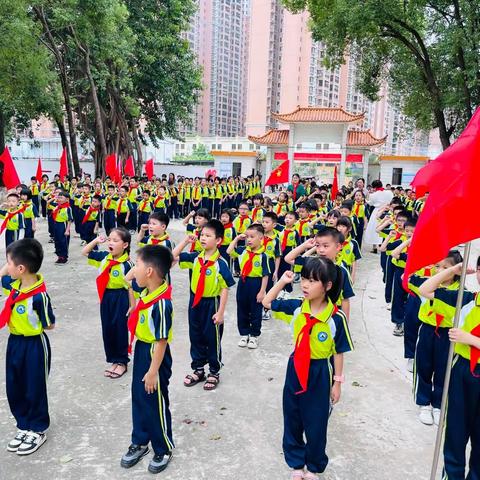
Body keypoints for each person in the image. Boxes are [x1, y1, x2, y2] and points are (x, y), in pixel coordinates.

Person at [262, 257, 353, 479]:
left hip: (320, 371)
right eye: (303, 279)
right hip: (295, 368)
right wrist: (282, 281)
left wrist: (337, 383)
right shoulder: (296, 308)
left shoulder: (336, 318)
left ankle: (314, 466)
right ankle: (296, 463)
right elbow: (266, 301)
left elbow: (338, 351)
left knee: (317, 421)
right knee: (292, 416)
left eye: (312, 281)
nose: (305, 285)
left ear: (327, 286)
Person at [417, 259, 480, 480]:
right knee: (455, 430)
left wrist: (469, 338)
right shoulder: (467, 300)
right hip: (462, 370)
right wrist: (453, 270)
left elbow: (467, 338)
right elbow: (425, 289)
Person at [120, 245, 174, 474]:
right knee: (139, 397)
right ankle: (140, 440)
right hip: (142, 349)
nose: (134, 270)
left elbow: (161, 341)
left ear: (150, 271)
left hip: (155, 355)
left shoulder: (162, 303)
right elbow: (126, 279)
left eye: (138, 265)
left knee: (155, 401)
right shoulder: (146, 291)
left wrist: (153, 371)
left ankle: (163, 447)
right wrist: (136, 267)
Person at [0, 239, 55, 455]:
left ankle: (37, 428)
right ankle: (24, 424)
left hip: (34, 345)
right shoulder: (13, 286)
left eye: (9, 262)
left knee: (34, 386)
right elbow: (3, 275)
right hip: (15, 342)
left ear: (20, 268)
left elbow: (50, 324)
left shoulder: (40, 296)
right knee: (15, 385)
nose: (6, 267)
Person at [174, 219, 235, 391]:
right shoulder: (195, 258)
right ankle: (198, 369)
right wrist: (186, 241)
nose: (202, 238)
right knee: (195, 336)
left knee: (212, 338)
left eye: (208, 236)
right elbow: (173, 257)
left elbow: (224, 289)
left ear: (218, 241)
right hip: (194, 301)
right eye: (202, 235)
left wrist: (221, 312)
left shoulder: (220, 263)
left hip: (212, 303)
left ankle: (214, 371)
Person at [414, 251, 463, 426]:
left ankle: (438, 403)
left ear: (457, 271)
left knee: (443, 369)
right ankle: (423, 402)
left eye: (445, 268)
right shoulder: (427, 284)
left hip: (447, 333)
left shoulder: (460, 291)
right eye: (437, 266)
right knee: (424, 365)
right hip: (428, 330)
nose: (440, 271)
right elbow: (408, 278)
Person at [82, 228, 134, 379]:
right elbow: (85, 252)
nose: (110, 243)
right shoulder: (105, 258)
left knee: (120, 329)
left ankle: (122, 361)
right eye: (109, 240)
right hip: (106, 297)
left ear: (125, 245)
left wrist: (132, 306)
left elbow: (131, 286)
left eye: (115, 241)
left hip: (121, 297)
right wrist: (96, 241)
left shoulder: (127, 264)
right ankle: (113, 359)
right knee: (108, 328)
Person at [227, 224, 269, 349]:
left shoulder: (263, 256)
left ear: (261, 238)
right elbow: (229, 251)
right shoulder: (242, 251)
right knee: (242, 308)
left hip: (256, 284)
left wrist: (262, 291)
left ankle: (254, 335)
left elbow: (265, 275)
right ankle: (244, 333)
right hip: (243, 283)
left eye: (252, 237)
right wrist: (236, 239)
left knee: (256, 310)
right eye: (247, 237)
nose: (249, 240)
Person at [364, 180, 394, 252]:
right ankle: (384, 245)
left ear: (374, 187)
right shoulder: (389, 192)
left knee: (375, 228)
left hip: (377, 211)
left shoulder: (373, 195)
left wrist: (366, 199)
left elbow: (370, 203)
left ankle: (374, 247)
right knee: (385, 227)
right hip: (387, 211)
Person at [50, 190, 72, 265]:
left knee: (63, 242)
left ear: (67, 199)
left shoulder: (68, 208)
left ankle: (64, 257)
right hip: (56, 225)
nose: (59, 199)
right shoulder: (58, 206)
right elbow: (48, 203)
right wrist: (54, 198)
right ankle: (59, 256)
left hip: (63, 225)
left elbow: (69, 220)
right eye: (59, 197)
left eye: (61, 198)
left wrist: (67, 230)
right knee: (57, 241)